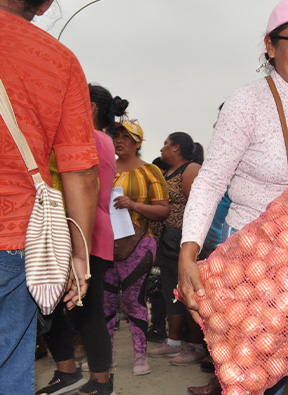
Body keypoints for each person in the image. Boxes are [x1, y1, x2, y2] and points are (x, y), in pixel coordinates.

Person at [177, 1, 288, 394]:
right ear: (270, 47)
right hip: (254, 252)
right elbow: (210, 182)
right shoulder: (247, 101)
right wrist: (188, 252)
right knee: (262, 368)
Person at [0, 1, 99, 393]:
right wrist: (79, 255)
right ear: (43, 5)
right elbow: (79, 169)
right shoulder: (58, 60)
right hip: (17, 241)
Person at [35, 84, 121, 395]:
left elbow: (81, 187)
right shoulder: (101, 140)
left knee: (86, 311)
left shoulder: (93, 138)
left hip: (83, 232)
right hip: (81, 230)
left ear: (92, 108)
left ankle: (99, 380)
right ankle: (68, 372)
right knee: (55, 306)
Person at [107, 120, 170, 376]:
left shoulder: (150, 171)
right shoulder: (105, 169)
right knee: (105, 301)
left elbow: (163, 210)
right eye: (116, 135)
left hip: (140, 242)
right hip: (106, 243)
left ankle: (140, 355)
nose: (119, 140)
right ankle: (104, 356)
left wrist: (133, 204)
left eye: (126, 137)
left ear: (138, 143)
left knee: (134, 300)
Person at [148, 132, 205, 366]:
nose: (162, 148)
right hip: (167, 240)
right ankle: (173, 343)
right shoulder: (166, 172)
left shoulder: (190, 170)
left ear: (177, 147)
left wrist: (190, 244)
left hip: (184, 240)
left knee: (187, 292)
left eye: (165, 144)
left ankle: (196, 346)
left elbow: (199, 208)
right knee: (169, 291)